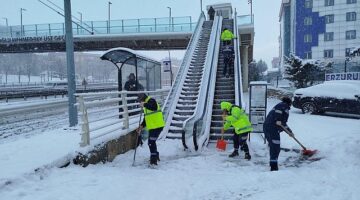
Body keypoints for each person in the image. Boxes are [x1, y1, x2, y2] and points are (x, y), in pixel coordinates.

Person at [263, 96, 294, 171]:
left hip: (269, 128)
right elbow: (279, 117)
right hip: (271, 128)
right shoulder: (283, 105)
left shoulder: (280, 105)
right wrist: (278, 119)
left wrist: (289, 132)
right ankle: (274, 167)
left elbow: (282, 124)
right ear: (289, 103)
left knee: (274, 147)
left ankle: (273, 164)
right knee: (275, 148)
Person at [136, 93, 165, 166]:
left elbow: (154, 107)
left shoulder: (151, 101)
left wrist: (144, 104)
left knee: (151, 142)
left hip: (158, 126)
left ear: (143, 99)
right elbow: (147, 118)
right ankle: (156, 155)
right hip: (152, 127)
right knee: (152, 142)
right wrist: (141, 126)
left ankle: (153, 161)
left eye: (140, 101)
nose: (139, 103)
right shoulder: (146, 106)